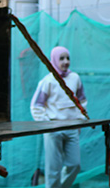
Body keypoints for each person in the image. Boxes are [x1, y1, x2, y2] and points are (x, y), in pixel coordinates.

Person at [30, 46, 87, 188]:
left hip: (72, 128)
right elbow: (36, 106)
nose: (66, 62)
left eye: (68, 58)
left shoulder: (75, 78)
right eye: (61, 58)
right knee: (53, 168)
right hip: (53, 129)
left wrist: (80, 120)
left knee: (75, 165)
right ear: (54, 60)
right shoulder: (48, 81)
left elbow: (82, 102)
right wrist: (47, 124)